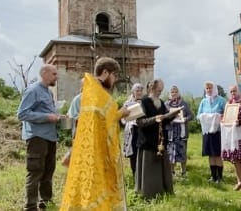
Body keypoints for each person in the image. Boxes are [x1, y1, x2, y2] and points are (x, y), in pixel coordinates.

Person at [59, 57, 130, 211]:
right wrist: (120, 114)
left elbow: (97, 122)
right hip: (98, 151)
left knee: (83, 186)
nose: (115, 79)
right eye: (114, 75)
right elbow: (105, 123)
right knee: (95, 187)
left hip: (85, 150)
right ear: (105, 72)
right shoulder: (100, 96)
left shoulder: (89, 92)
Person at [17, 64, 59, 211]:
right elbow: (22, 114)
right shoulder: (33, 90)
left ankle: (45, 203)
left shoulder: (48, 92)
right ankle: (30, 207)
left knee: (48, 172)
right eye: (54, 74)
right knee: (35, 172)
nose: (56, 76)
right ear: (44, 73)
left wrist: (58, 117)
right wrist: (47, 117)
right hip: (37, 138)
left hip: (50, 138)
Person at [135, 79, 181, 199]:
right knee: (149, 169)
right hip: (147, 141)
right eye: (157, 90)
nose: (159, 93)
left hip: (160, 141)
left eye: (161, 90)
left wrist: (172, 115)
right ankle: (148, 193)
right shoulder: (143, 102)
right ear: (151, 88)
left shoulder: (161, 102)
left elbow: (164, 119)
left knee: (161, 167)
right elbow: (140, 122)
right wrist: (154, 119)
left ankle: (163, 191)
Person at [197, 81, 226, 183]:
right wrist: (204, 117)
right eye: (207, 88)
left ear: (214, 89)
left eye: (210, 88)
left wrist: (218, 116)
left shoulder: (221, 100)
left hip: (217, 131)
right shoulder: (203, 101)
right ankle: (213, 176)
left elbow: (226, 113)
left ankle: (220, 177)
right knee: (210, 154)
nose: (209, 90)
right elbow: (198, 115)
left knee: (217, 153)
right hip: (207, 131)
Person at [165, 85, 194, 176]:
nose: (174, 93)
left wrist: (185, 119)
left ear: (178, 93)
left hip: (181, 132)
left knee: (182, 152)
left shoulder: (183, 104)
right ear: (169, 93)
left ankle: (183, 171)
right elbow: (163, 116)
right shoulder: (166, 104)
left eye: (176, 92)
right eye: (172, 92)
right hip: (170, 132)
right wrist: (168, 118)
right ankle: (172, 172)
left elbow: (191, 115)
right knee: (171, 153)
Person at [122, 83, 145, 176]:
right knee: (133, 153)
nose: (139, 92)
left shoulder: (145, 102)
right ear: (133, 92)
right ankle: (134, 173)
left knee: (142, 151)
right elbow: (122, 118)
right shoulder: (127, 103)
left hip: (142, 130)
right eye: (137, 90)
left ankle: (142, 175)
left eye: (140, 91)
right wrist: (127, 120)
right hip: (132, 130)